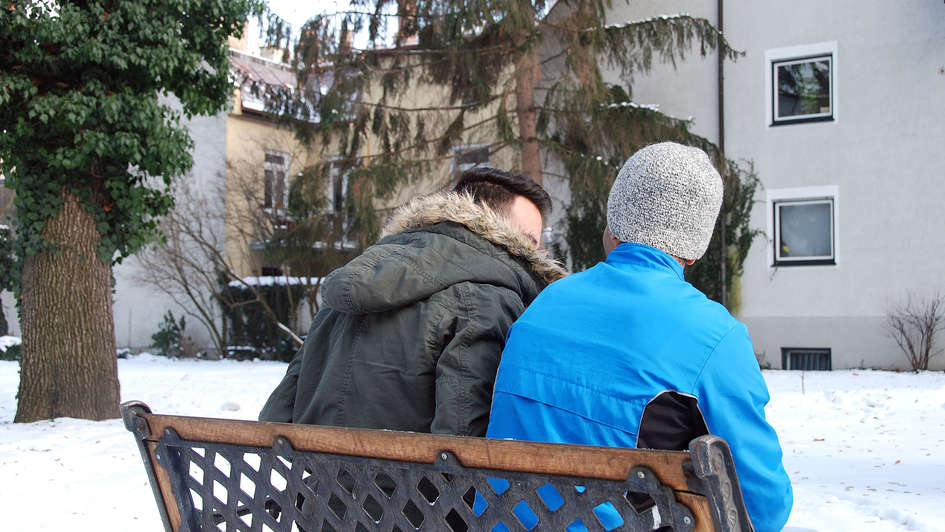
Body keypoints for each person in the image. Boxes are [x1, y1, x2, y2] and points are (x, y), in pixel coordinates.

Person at [485, 143, 793, 531]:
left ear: (612, 224)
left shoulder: (545, 303)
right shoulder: (714, 335)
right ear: (693, 251)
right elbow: (763, 508)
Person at [258, 167, 566, 438]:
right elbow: (461, 441)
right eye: (528, 243)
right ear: (494, 229)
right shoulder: (487, 298)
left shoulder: (355, 276)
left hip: (314, 495)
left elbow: (276, 414)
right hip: (408, 501)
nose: (534, 258)